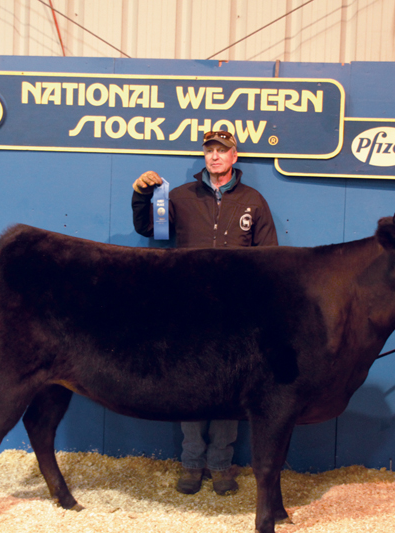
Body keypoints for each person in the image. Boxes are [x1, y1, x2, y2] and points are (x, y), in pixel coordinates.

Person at [131, 130, 278, 496]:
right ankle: (192, 463)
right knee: (191, 386)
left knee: (230, 388)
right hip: (190, 308)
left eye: (222, 151)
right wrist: (141, 195)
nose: (215, 156)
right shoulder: (180, 195)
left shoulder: (253, 201)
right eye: (209, 150)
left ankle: (221, 464)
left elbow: (270, 257)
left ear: (234, 156)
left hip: (235, 312)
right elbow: (149, 228)